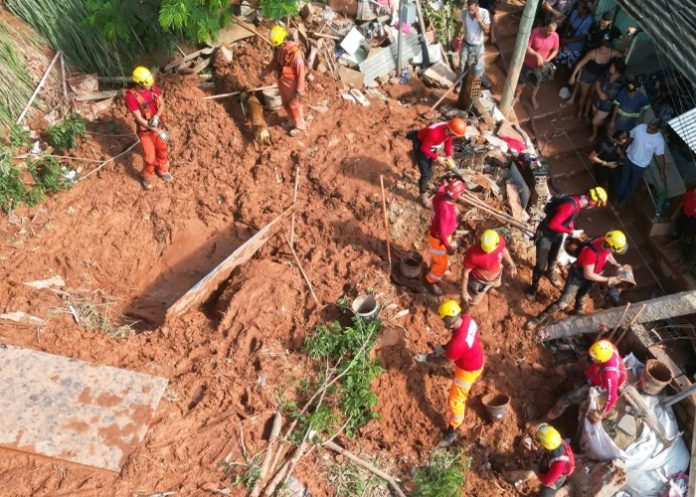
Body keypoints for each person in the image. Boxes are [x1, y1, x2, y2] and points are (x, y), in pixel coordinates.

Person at [528, 230, 627, 327]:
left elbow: (608, 254)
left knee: (581, 296)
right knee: (562, 303)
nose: (614, 252)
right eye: (615, 249)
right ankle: (538, 319)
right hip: (577, 277)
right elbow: (588, 274)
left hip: (591, 277)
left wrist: (615, 264)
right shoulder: (590, 253)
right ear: (609, 245)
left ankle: (577, 312)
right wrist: (608, 280)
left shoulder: (604, 242)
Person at [526, 187, 608, 300]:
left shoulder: (578, 201)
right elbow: (553, 224)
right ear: (593, 201)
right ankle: (533, 288)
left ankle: (550, 273)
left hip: (557, 234)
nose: (594, 207)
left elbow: (568, 219)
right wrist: (571, 232)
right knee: (540, 264)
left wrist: (571, 228)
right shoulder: (571, 206)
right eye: (596, 204)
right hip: (545, 234)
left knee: (553, 258)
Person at [430, 300, 485, 447]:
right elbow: (457, 338)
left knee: (455, 401)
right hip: (477, 357)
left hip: (467, 370)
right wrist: (443, 347)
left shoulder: (458, 344)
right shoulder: (467, 319)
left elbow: (445, 361)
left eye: (443, 320)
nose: (443, 324)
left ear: (449, 321)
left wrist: (427, 358)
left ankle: (453, 428)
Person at [544, 339, 627, 423]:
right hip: (594, 370)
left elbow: (612, 397)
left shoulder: (610, 375)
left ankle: (543, 420)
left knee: (564, 400)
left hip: (596, 383)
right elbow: (592, 354)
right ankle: (548, 372)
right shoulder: (604, 345)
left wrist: (601, 413)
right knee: (568, 368)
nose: (591, 358)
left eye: (593, 358)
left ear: (601, 360)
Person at [125, 66, 173, 191]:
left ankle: (162, 170)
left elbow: (161, 104)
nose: (149, 88)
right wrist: (158, 131)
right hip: (145, 132)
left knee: (163, 149)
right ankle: (146, 176)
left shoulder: (151, 86)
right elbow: (140, 119)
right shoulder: (131, 97)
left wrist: (156, 117)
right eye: (145, 86)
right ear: (139, 83)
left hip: (157, 125)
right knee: (150, 158)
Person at [408, 118, 467, 207]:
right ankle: (422, 195)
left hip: (432, 146)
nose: (457, 137)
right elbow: (423, 148)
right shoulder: (435, 134)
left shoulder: (448, 130)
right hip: (421, 145)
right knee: (425, 174)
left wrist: (448, 155)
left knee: (430, 167)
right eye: (456, 135)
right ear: (451, 131)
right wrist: (437, 158)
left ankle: (427, 183)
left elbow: (448, 141)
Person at [426, 179, 466, 295]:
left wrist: (447, 184)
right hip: (439, 240)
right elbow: (442, 233)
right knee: (441, 264)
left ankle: (437, 268)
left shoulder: (439, 196)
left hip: (440, 235)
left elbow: (441, 188)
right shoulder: (446, 211)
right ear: (457, 196)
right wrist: (448, 246)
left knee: (440, 259)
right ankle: (430, 281)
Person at [264, 25, 306, 136]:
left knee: (295, 105)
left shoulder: (295, 53)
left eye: (277, 45)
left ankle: (300, 126)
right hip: (283, 81)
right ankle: (291, 122)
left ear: (284, 40)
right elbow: (275, 61)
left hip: (292, 84)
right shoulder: (280, 50)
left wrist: (300, 89)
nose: (275, 47)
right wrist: (267, 70)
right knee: (286, 104)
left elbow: (301, 71)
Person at [564, 41, 621, 121]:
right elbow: (580, 63)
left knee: (591, 96)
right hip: (587, 76)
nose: (602, 51)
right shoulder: (593, 53)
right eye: (601, 49)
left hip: (598, 78)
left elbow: (623, 55)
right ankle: (580, 112)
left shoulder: (612, 53)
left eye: (604, 50)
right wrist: (573, 76)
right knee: (584, 96)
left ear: (609, 49)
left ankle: (586, 113)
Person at [615, 119, 666, 206]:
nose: (648, 129)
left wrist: (662, 173)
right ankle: (617, 196)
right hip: (629, 158)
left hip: (640, 166)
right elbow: (630, 138)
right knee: (623, 179)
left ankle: (625, 198)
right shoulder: (641, 127)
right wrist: (622, 150)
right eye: (648, 126)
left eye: (651, 128)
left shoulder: (659, 141)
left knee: (633, 183)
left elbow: (660, 157)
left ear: (658, 129)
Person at [461, 229, 517, 306]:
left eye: (489, 250)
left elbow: (504, 250)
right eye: (484, 249)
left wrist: (512, 264)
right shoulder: (473, 254)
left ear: (497, 243)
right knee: (473, 301)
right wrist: (464, 291)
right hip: (480, 281)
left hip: (496, 276)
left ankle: (489, 289)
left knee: (497, 284)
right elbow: (465, 272)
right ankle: (469, 307)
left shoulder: (500, 241)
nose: (486, 252)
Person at [514, 16, 560, 110]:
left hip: (541, 65)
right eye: (550, 31)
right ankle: (517, 97)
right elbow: (527, 47)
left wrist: (547, 60)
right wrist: (536, 55)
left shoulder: (555, 36)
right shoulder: (535, 32)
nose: (551, 33)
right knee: (522, 81)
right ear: (545, 26)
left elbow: (555, 50)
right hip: (528, 63)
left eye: (553, 31)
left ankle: (532, 97)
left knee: (537, 83)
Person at [453, 0, 491, 86]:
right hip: (466, 44)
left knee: (478, 66)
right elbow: (458, 26)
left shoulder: (484, 13)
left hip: (478, 46)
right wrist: (454, 37)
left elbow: (487, 30)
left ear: (477, 6)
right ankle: (459, 84)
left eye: (472, 10)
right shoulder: (463, 13)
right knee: (461, 65)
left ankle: (481, 80)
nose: (470, 12)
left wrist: (479, 20)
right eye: (469, 9)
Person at [589, 58, 627, 142]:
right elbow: (598, 82)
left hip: (607, 105)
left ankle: (594, 134)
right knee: (595, 114)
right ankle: (602, 123)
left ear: (617, 70)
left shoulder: (622, 81)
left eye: (612, 67)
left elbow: (622, 95)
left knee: (594, 121)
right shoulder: (606, 73)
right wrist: (600, 93)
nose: (610, 67)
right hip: (597, 100)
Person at [532, 424, 575, 497]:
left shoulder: (559, 464)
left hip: (559, 474)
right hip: (554, 462)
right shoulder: (557, 441)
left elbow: (547, 482)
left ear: (548, 448)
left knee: (546, 492)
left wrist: (536, 472)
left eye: (540, 442)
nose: (539, 444)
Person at [588, 130, 628, 198]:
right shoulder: (603, 145)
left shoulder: (616, 143)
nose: (626, 140)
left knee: (615, 182)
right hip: (601, 166)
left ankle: (610, 198)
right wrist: (606, 163)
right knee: (600, 184)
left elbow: (616, 147)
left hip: (612, 165)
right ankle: (594, 197)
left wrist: (620, 154)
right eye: (624, 139)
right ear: (618, 139)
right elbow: (591, 157)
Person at [554, 2, 593, 70]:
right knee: (558, 60)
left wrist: (567, 41)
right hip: (567, 41)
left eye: (580, 6)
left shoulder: (588, 21)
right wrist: (565, 37)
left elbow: (582, 37)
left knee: (567, 65)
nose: (578, 6)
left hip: (576, 47)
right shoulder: (575, 12)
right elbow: (569, 24)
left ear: (585, 10)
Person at [673, 184, 696, 258]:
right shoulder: (690, 193)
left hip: (693, 220)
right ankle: (677, 237)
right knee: (678, 228)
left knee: (689, 236)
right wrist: (675, 213)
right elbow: (682, 202)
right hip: (684, 215)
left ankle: (686, 253)